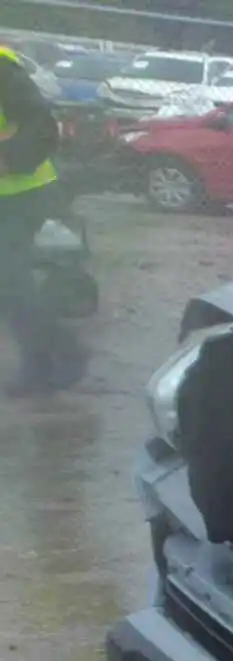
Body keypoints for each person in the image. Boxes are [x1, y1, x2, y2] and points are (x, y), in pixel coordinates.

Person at [0, 43, 84, 396]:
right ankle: (51, 358)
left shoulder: (4, 69)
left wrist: (10, 158)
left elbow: (44, 127)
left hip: (22, 194)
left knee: (10, 283)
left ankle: (56, 358)